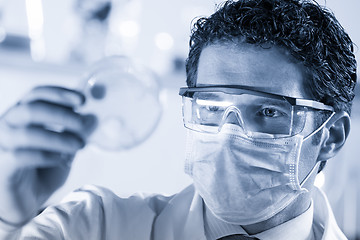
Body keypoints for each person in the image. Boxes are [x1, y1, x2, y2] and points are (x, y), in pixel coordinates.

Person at [0, 0, 357, 239]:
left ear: (332, 135)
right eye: (212, 107)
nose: (228, 135)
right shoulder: (94, 225)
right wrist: (9, 213)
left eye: (268, 112)